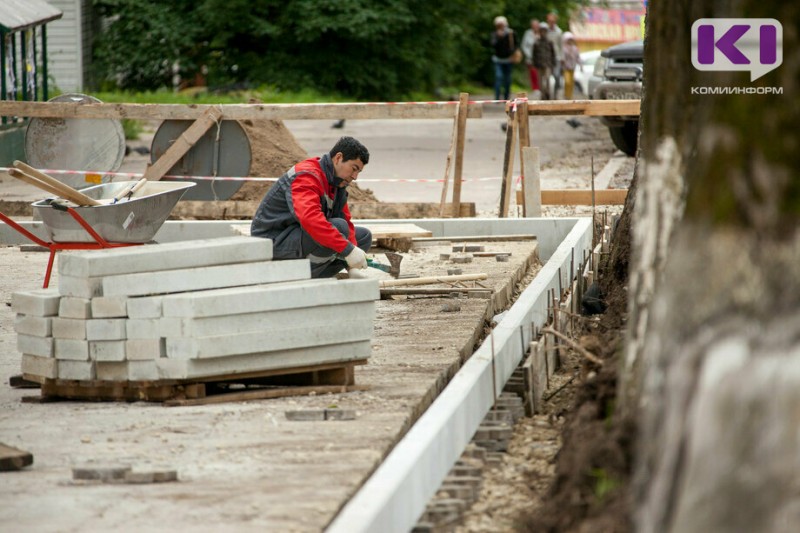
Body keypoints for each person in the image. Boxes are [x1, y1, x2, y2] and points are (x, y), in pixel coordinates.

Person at [251, 136, 372, 279]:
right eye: (354, 169)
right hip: (273, 241)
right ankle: (301, 275)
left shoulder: (337, 182)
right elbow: (310, 220)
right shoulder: (306, 176)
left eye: (358, 172)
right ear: (338, 158)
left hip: (297, 236)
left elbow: (344, 217)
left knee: (363, 236)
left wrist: (351, 264)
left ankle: (317, 272)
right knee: (339, 228)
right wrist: (347, 250)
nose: (355, 176)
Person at [490, 16, 517, 101]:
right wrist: (499, 38)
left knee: (507, 79)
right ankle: (497, 98)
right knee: (498, 77)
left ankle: (506, 97)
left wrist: (514, 54)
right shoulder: (495, 34)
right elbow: (493, 45)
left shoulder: (511, 33)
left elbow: (516, 45)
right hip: (498, 60)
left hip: (509, 60)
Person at [532, 26, 556, 100]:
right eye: (541, 32)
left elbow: (553, 53)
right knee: (540, 81)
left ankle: (548, 93)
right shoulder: (536, 43)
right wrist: (534, 64)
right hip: (539, 65)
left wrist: (553, 63)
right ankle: (543, 95)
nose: (543, 33)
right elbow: (534, 55)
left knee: (548, 79)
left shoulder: (549, 42)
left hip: (548, 64)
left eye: (544, 32)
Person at [545, 12, 564, 97]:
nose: (551, 22)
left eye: (552, 21)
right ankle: (547, 93)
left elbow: (561, 45)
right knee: (547, 76)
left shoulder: (559, 32)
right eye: (549, 21)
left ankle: (555, 93)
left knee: (557, 76)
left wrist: (562, 57)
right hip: (547, 56)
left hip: (556, 56)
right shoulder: (545, 31)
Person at [521, 19, 541, 94]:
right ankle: (535, 88)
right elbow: (524, 45)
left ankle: (541, 87)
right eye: (534, 25)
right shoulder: (528, 33)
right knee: (533, 73)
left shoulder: (541, 33)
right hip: (530, 57)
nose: (535, 27)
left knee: (540, 73)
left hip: (540, 57)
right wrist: (528, 54)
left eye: (537, 25)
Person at [561, 32, 582, 100]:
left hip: (572, 67)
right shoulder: (564, 48)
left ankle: (569, 96)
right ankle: (566, 94)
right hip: (566, 68)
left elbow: (577, 57)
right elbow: (562, 57)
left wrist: (581, 65)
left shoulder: (575, 48)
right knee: (567, 81)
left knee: (571, 82)